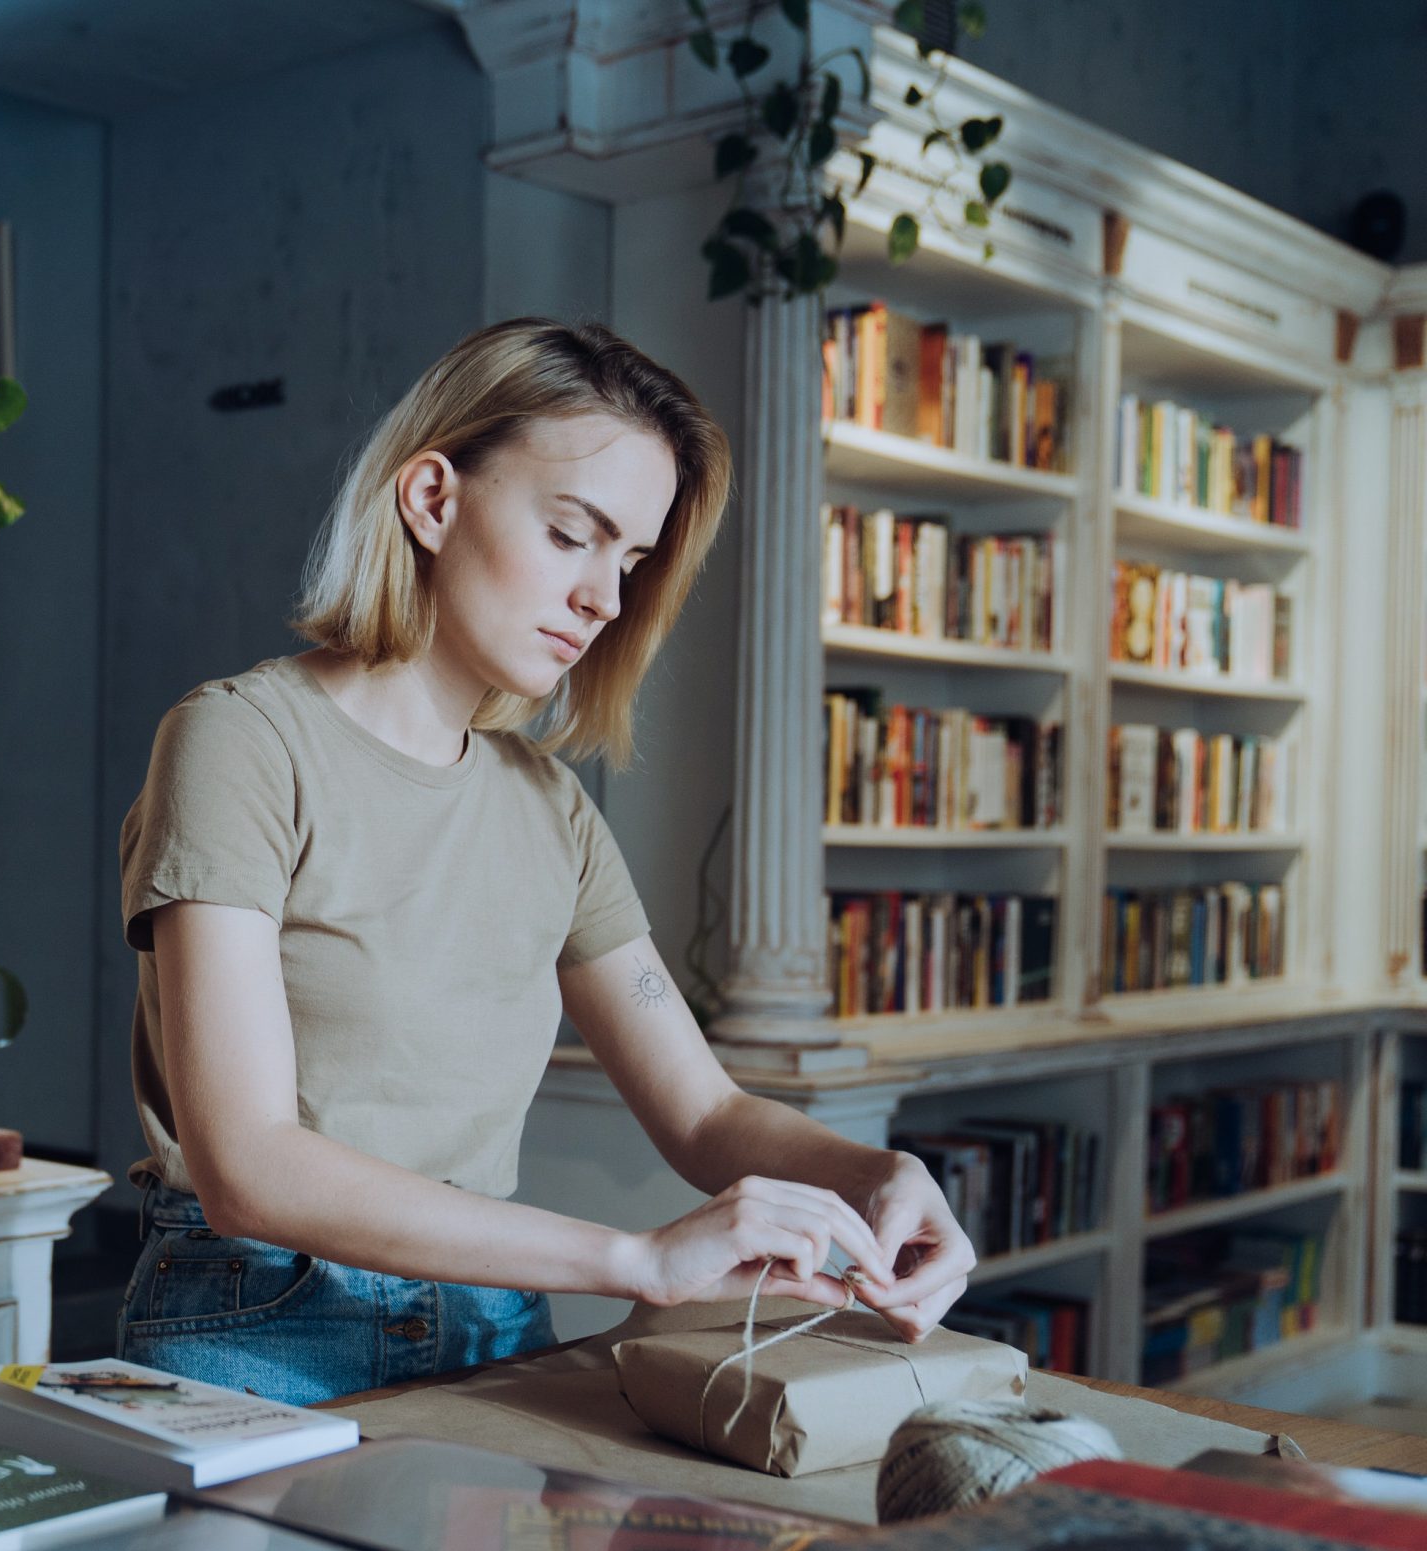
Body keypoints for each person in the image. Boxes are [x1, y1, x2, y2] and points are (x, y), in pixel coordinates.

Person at [113, 318, 975, 1404]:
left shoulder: (551, 809)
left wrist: (877, 1175)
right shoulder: (240, 740)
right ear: (431, 499)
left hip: (495, 1327)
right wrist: (635, 1260)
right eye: (573, 533)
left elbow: (704, 1114)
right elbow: (247, 1167)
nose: (605, 600)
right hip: (260, 1322)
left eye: (631, 560)